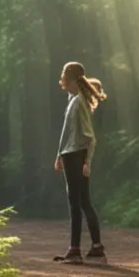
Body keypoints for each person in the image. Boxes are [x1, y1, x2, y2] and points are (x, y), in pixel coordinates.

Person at [53, 61, 106, 264]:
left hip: (74, 155)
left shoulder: (77, 102)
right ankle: (96, 247)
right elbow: (69, 133)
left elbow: (89, 136)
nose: (61, 80)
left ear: (73, 79)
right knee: (83, 201)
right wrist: (59, 155)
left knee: (75, 203)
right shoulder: (76, 99)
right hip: (71, 154)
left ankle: (75, 250)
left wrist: (87, 161)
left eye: (64, 76)